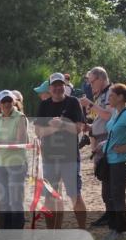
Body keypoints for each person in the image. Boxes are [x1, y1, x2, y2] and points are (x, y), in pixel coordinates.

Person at [34, 73, 88, 229]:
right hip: (49, 158)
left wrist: (62, 124)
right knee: (51, 197)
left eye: (60, 85)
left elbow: (78, 128)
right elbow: (38, 131)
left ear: (65, 86)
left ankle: (82, 229)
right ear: (50, 88)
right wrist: (53, 127)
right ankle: (53, 231)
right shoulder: (44, 105)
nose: (58, 88)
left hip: (70, 157)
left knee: (75, 196)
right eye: (54, 85)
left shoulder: (73, 103)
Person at [100, 84, 126, 240]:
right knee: (107, 194)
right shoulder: (116, 112)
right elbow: (114, 133)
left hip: (122, 162)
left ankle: (120, 231)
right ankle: (114, 228)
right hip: (110, 160)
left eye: (111, 95)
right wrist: (103, 144)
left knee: (117, 196)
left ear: (121, 97)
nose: (108, 98)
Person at [79, 67, 112, 228]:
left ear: (101, 78)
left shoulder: (111, 91)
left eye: (93, 82)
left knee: (109, 180)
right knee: (105, 179)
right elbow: (101, 119)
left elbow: (109, 115)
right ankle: (109, 214)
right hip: (99, 138)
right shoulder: (101, 94)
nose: (91, 86)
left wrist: (91, 104)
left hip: (108, 140)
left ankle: (112, 216)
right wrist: (91, 128)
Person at [0, 90, 28, 229]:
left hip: (16, 163)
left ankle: (17, 231)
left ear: (14, 101)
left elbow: (20, 141)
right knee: (4, 200)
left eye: (9, 101)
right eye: (4, 101)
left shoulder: (20, 117)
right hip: (1, 163)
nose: (7, 104)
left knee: (15, 200)